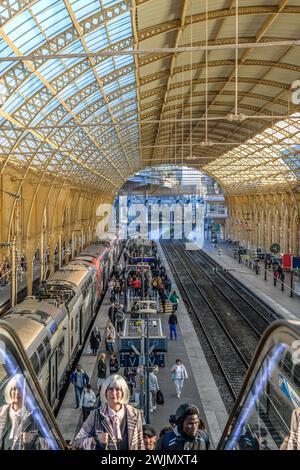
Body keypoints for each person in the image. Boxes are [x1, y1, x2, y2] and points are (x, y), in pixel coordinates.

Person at [73, 374, 145, 450]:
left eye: (118, 389)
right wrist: (96, 439)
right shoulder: (95, 415)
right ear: (105, 392)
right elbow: (77, 442)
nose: (113, 393)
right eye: (110, 389)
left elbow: (140, 443)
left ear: (123, 392)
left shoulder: (135, 414)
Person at [0, 374, 49, 450]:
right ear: (9, 391)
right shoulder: (2, 412)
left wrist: (34, 439)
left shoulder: (37, 415)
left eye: (20, 388)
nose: (17, 393)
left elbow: (53, 443)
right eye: (14, 389)